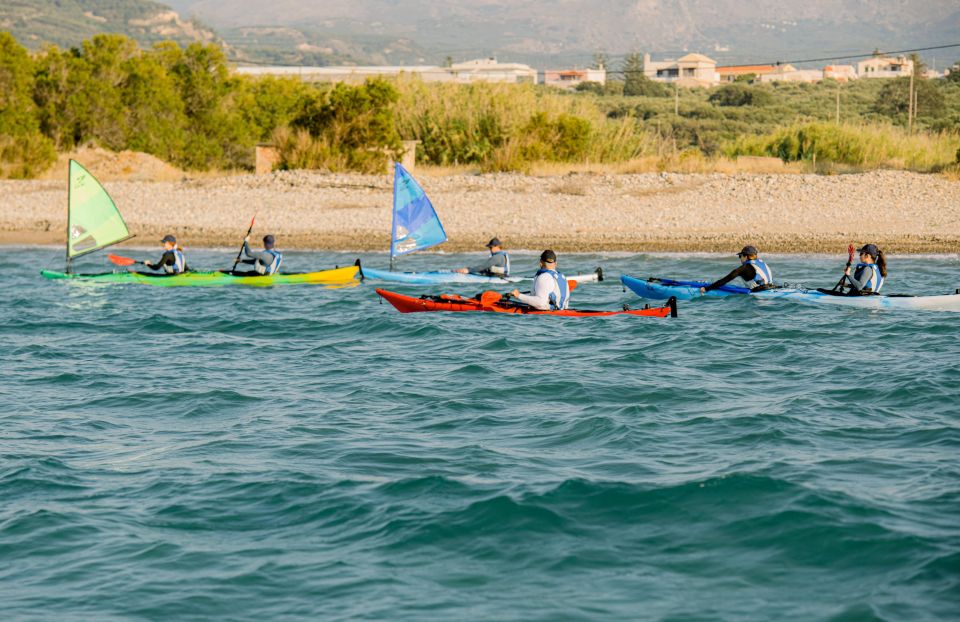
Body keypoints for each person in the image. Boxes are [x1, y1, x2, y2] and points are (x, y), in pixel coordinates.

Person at [700, 245, 773, 294]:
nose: (740, 259)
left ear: (746, 256)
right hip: (771, 288)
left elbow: (724, 280)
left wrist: (706, 289)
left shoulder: (744, 268)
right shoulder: (762, 263)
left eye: (740, 256)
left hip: (760, 295)